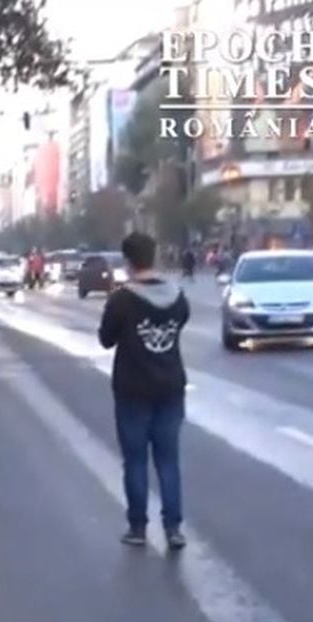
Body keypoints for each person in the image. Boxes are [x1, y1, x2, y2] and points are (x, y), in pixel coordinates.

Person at [98, 232, 190, 550]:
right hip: (170, 387)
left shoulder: (122, 299)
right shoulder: (177, 296)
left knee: (135, 461)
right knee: (168, 461)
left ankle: (138, 527)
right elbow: (181, 323)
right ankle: (173, 528)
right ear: (154, 258)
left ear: (128, 261)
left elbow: (106, 339)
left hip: (132, 389)